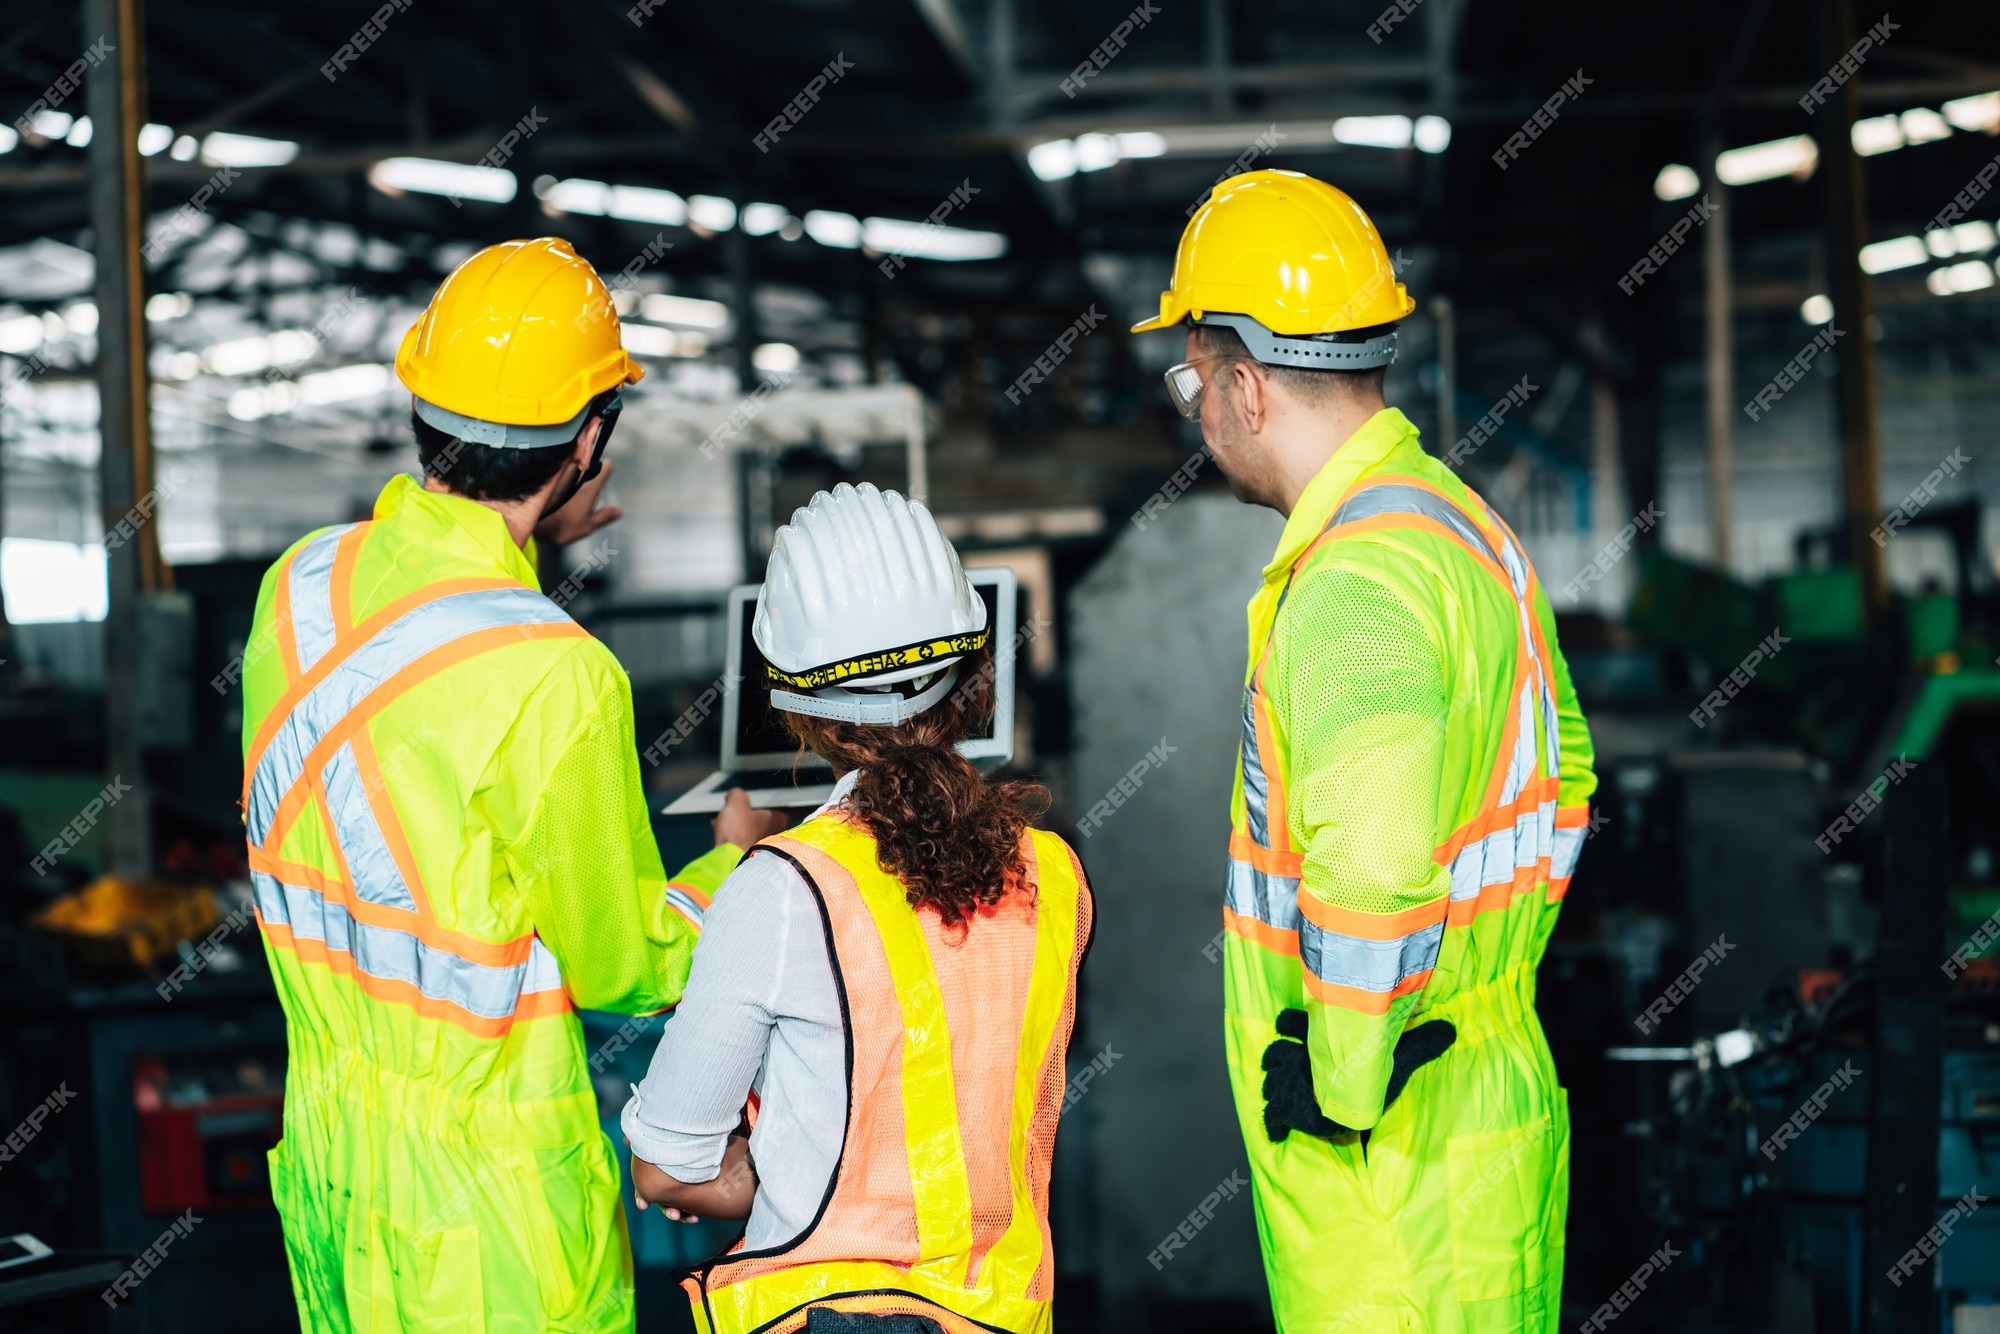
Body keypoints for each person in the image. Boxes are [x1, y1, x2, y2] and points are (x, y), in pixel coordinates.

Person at [239, 236, 786, 1331]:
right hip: (489, 1214)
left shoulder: (300, 581)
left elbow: (423, 667)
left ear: (423, 408)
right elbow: (626, 966)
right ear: (590, 440)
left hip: (334, 1175)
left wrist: (524, 539)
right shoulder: (558, 672)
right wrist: (736, 859)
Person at [1130, 170, 1597, 1331]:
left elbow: (1377, 865)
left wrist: (1341, 1081)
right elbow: (1569, 773)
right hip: (1476, 1090)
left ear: (1242, 382)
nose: (1195, 410)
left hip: (1387, 1158)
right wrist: (1477, 980)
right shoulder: (1456, 523)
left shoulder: (1352, 583)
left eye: (1191, 380)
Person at [621, 482, 1093, 1334]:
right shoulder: (1054, 874)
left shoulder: (779, 887)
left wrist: (763, 1171)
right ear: (974, 680)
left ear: (795, 705)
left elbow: (663, 1167)